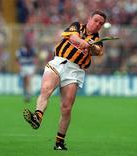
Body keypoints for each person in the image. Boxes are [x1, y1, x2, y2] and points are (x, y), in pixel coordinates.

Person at [23, 10, 107, 150]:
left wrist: (91, 47)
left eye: (101, 23)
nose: (97, 24)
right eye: (96, 20)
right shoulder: (77, 26)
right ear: (89, 18)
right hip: (60, 62)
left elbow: (98, 51)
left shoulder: (97, 39)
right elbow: (73, 38)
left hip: (75, 71)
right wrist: (83, 42)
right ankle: (37, 117)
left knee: (66, 108)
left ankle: (59, 143)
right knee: (46, 89)